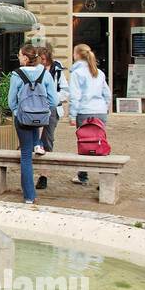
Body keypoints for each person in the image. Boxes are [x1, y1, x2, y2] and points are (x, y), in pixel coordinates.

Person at [7, 44, 57, 205]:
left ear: (25, 58)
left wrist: (17, 111)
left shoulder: (17, 74)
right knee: (34, 135)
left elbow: (11, 100)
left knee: (26, 157)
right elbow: (54, 100)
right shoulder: (45, 73)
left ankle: (29, 195)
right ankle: (38, 143)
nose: (18, 57)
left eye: (20, 55)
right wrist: (44, 110)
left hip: (22, 118)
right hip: (39, 117)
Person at [69, 43, 112, 185]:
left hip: (84, 111)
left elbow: (75, 96)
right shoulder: (98, 72)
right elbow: (107, 94)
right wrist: (104, 108)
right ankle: (104, 178)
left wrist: (72, 115)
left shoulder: (76, 73)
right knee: (100, 142)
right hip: (100, 111)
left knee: (84, 143)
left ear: (77, 55)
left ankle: (83, 175)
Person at [35, 43, 68, 189]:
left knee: (47, 140)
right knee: (35, 141)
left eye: (44, 58)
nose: (42, 61)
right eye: (40, 58)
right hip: (36, 107)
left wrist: (53, 98)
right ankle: (37, 172)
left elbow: (66, 91)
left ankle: (44, 175)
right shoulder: (36, 70)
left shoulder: (57, 70)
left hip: (52, 109)